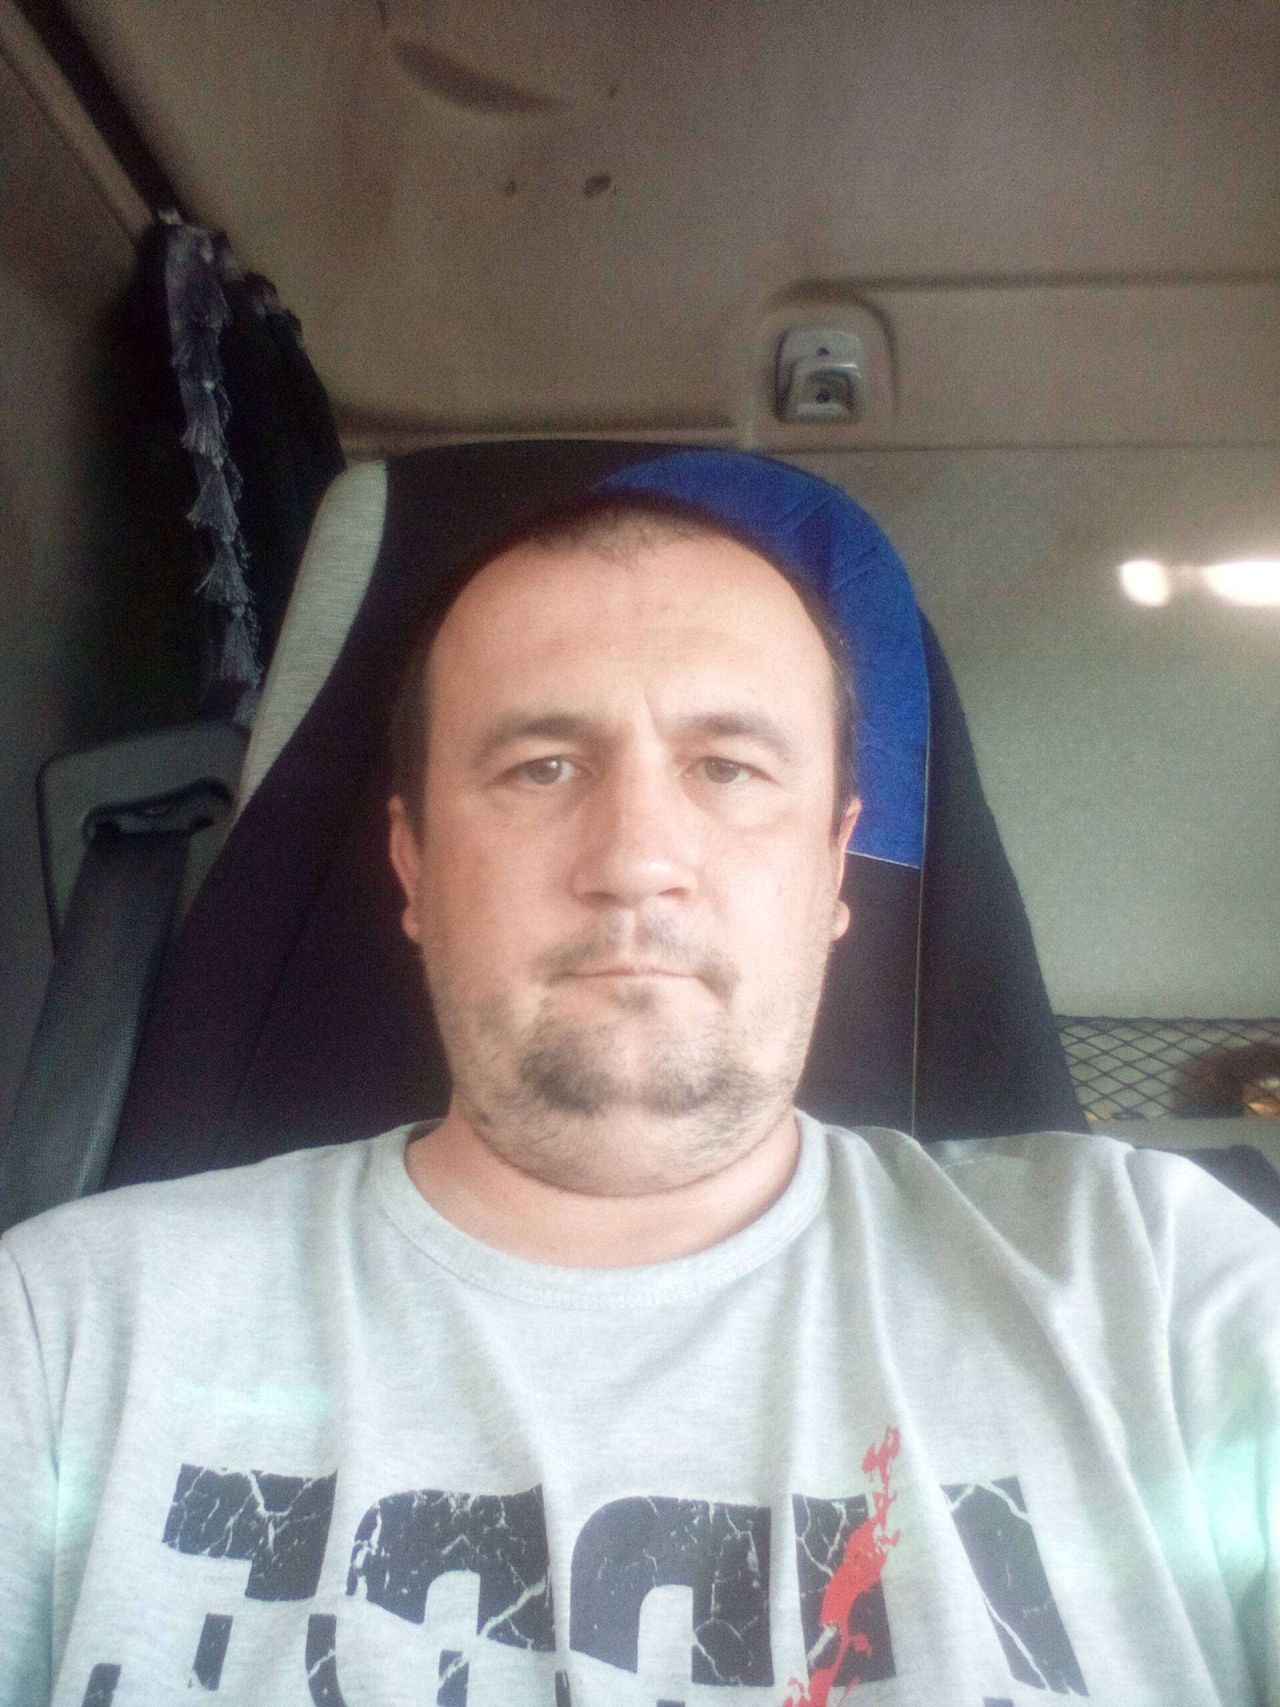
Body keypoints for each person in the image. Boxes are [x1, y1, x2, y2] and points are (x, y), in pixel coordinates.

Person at [1, 485, 1277, 1707]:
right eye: (542, 766)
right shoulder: (67, 1330)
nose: (636, 861)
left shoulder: (1159, 1283)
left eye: (726, 768)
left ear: (832, 868)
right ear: (412, 864)